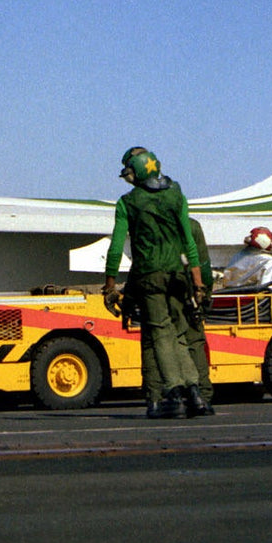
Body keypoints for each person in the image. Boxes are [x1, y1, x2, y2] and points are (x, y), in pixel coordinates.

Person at [104, 147, 208, 420]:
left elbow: (116, 246)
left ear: (136, 172)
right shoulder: (177, 194)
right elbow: (189, 242)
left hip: (150, 277)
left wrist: (110, 283)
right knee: (179, 335)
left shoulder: (127, 202)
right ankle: (194, 392)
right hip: (178, 276)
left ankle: (173, 394)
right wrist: (198, 284)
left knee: (160, 335)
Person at [216, 226, 272, 293]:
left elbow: (227, 280)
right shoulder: (269, 261)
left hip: (231, 297)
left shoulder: (237, 256)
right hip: (257, 300)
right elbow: (271, 288)